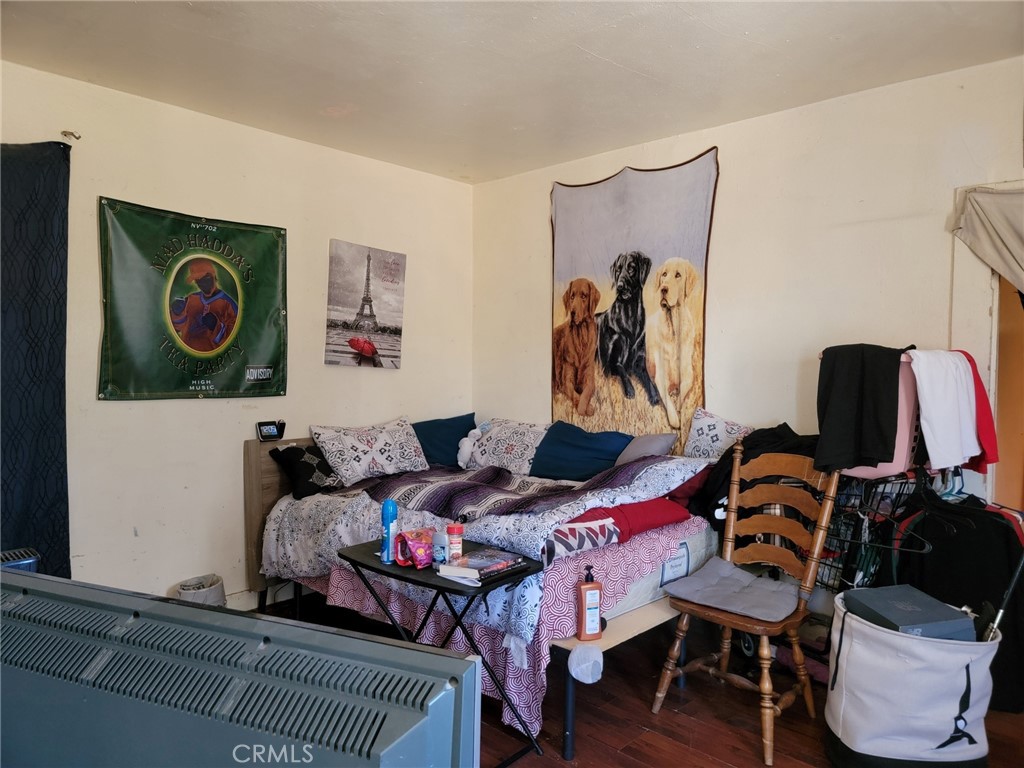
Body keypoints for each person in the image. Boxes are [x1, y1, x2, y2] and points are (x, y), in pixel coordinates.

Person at [170, 258, 238, 352]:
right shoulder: (191, 299)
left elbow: (235, 340)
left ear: (213, 276)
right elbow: (178, 328)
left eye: (205, 278)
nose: (202, 283)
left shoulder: (229, 304)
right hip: (185, 353)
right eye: (198, 280)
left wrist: (216, 326)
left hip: (213, 358)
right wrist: (177, 314)